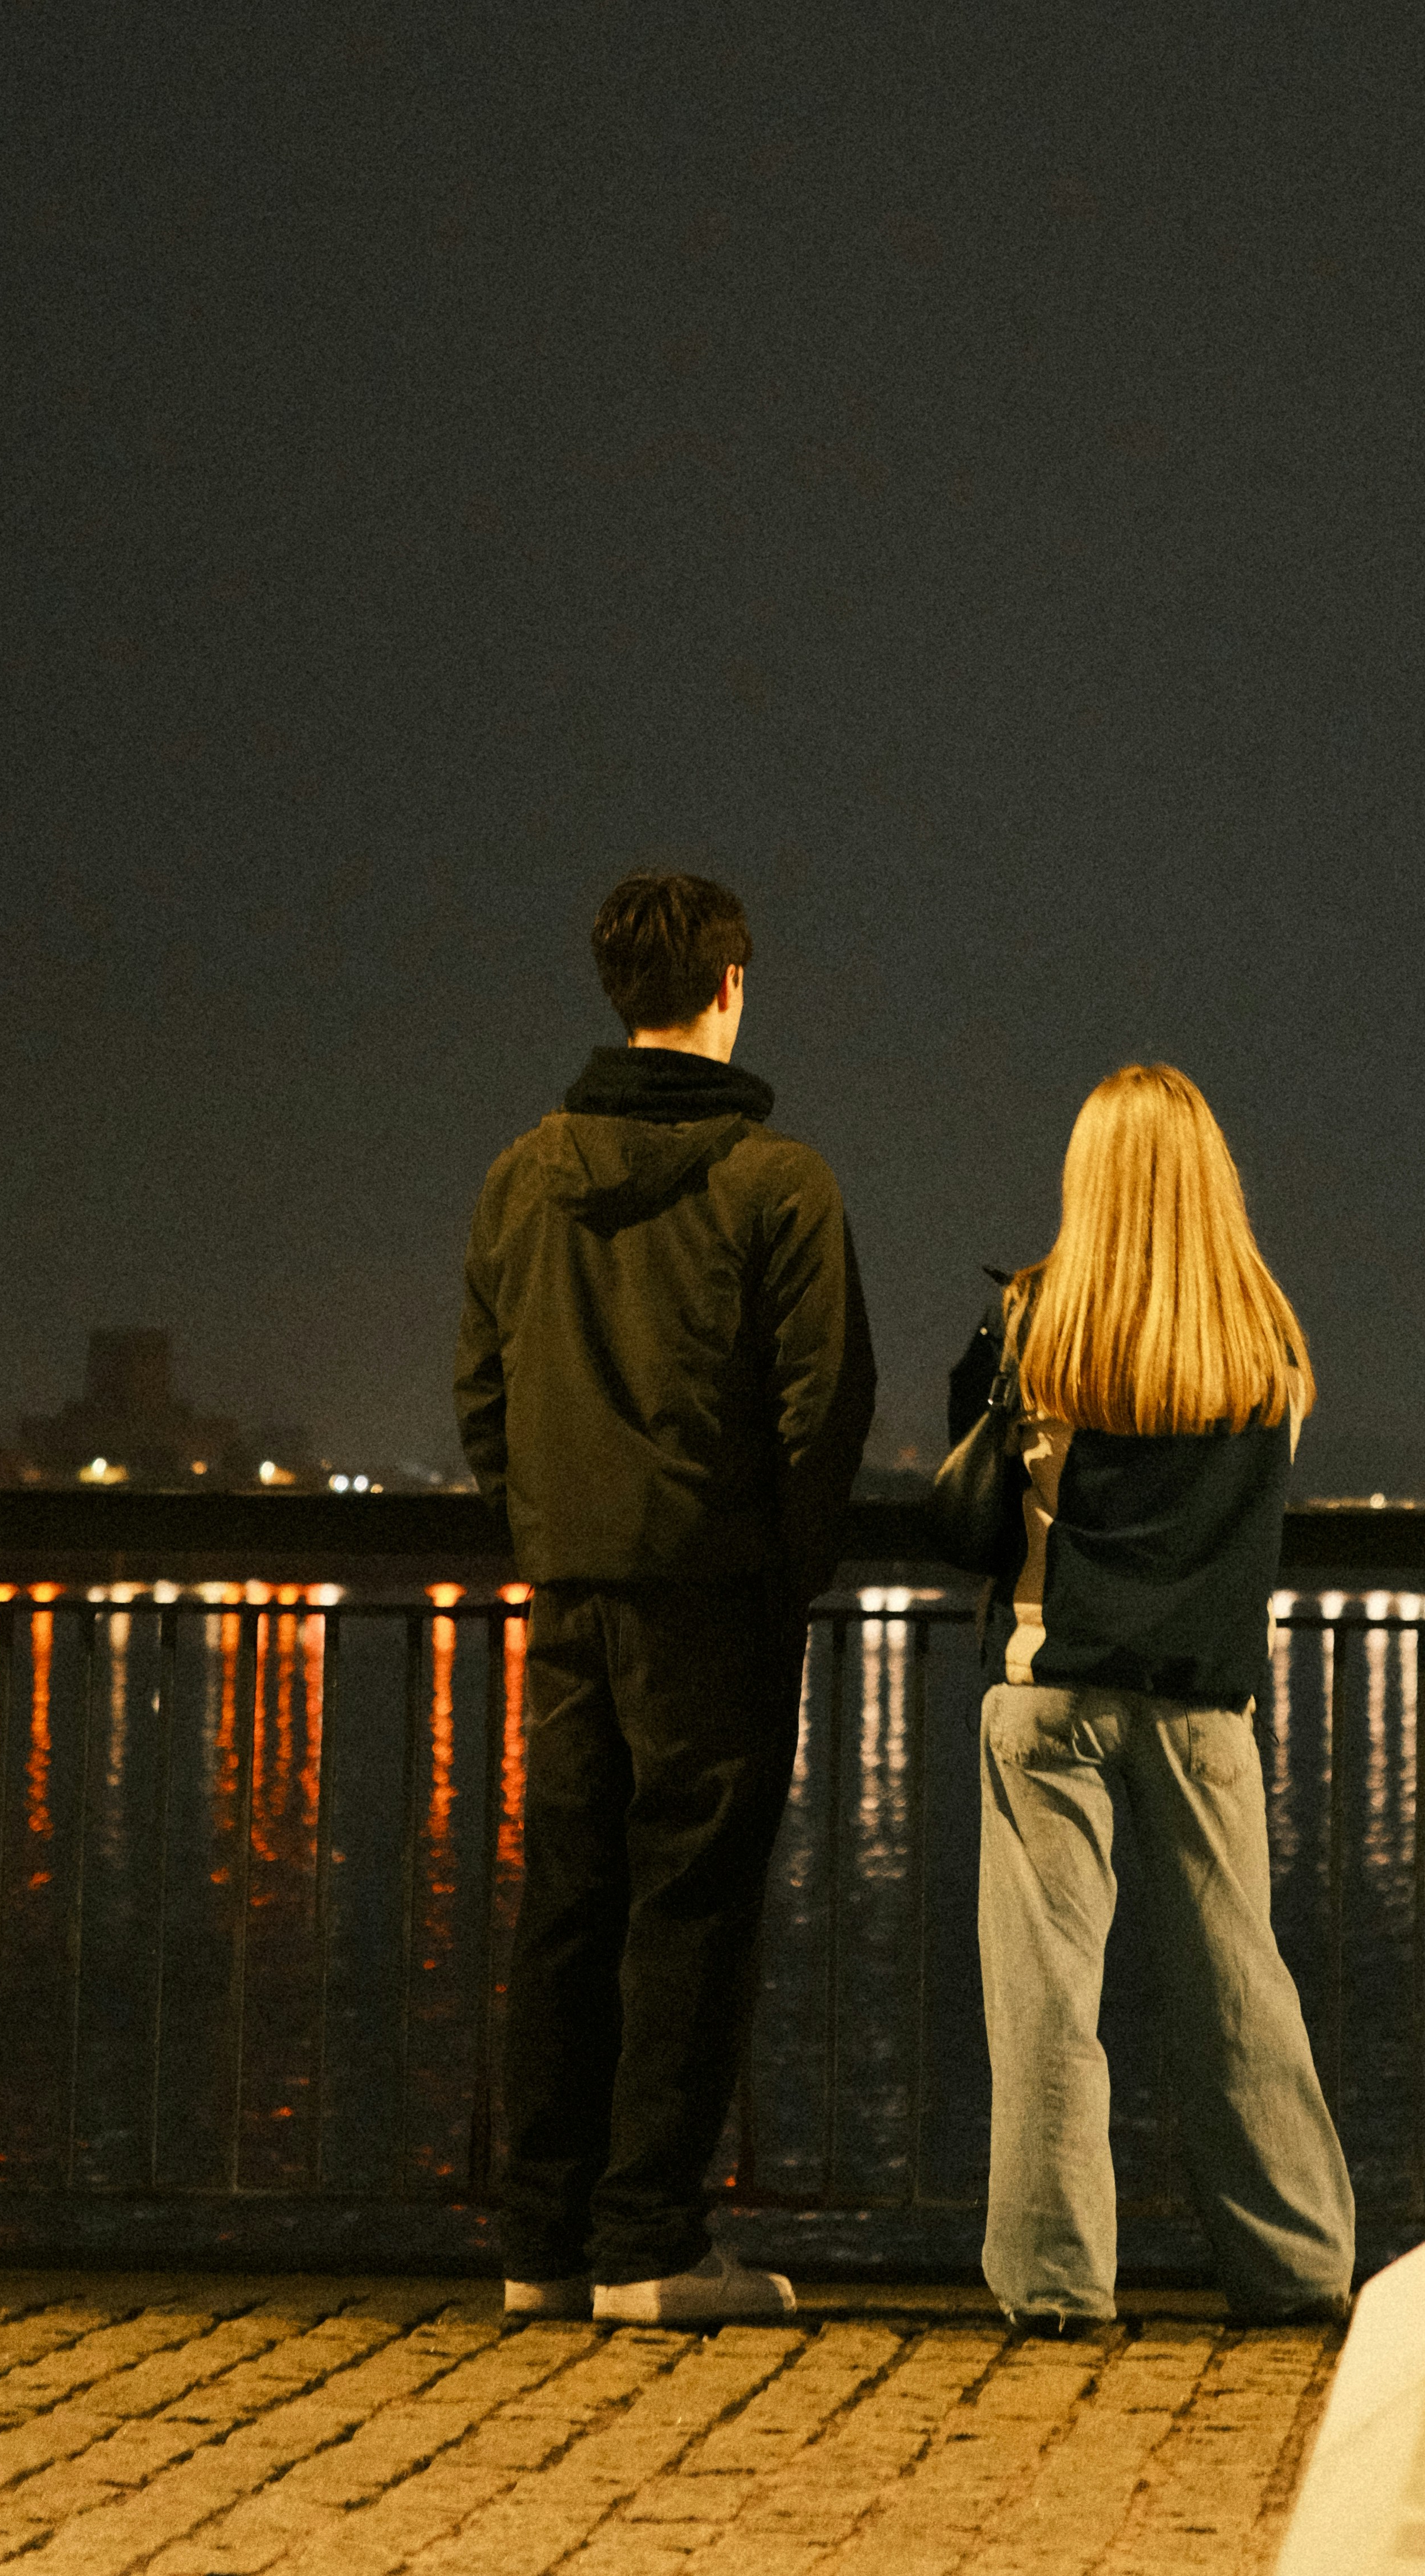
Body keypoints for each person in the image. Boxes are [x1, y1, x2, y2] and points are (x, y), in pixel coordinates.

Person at [455, 868, 875, 2326]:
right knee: (692, 1912)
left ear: (616, 988)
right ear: (731, 984)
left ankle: (541, 2243)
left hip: (570, 1589)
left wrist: (544, 1532)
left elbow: (482, 1392)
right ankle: (650, 2241)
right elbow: (825, 1407)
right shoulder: (778, 1184)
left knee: (567, 1904)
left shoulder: (521, 1176)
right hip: (714, 1596)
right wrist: (783, 1569)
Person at [962, 1061, 1355, 2328]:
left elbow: (979, 1476)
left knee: (1046, 2001)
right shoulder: (1266, 1339)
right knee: (1239, 1990)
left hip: (1050, 1686)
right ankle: (1295, 2268)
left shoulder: (1034, 1322)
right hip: (1202, 1702)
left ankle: (1057, 2284)